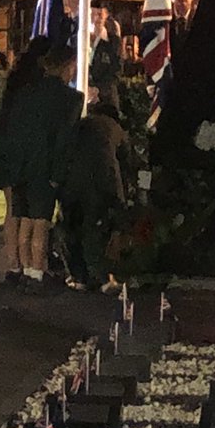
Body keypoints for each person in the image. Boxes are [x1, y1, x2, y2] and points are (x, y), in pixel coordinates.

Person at [7, 45, 83, 289]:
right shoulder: (71, 99)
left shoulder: (26, 92)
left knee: (24, 218)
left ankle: (25, 270)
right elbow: (64, 138)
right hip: (46, 166)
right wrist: (58, 175)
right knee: (41, 221)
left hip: (21, 163)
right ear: (68, 66)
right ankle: (37, 271)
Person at [0, 38, 51, 285]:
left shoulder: (14, 82)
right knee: (23, 210)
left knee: (11, 207)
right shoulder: (36, 87)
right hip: (20, 152)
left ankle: (14, 264)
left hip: (4, 149)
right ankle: (27, 263)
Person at [61, 99, 131, 290]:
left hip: (70, 182)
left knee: (72, 227)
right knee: (94, 228)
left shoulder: (81, 124)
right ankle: (101, 277)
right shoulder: (115, 129)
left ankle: (78, 276)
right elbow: (124, 164)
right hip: (101, 181)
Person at [89, 0, 122, 110]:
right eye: (93, 13)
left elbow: (116, 72)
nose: (96, 17)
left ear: (106, 15)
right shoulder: (78, 39)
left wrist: (98, 90)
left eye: (100, 14)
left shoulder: (113, 42)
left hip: (105, 102)